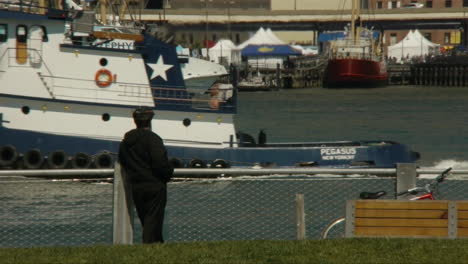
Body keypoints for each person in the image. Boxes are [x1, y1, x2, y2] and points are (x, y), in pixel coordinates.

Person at [118, 106, 174, 244]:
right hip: (155, 185)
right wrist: (167, 175)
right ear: (150, 120)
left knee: (145, 218)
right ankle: (151, 245)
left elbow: (123, 161)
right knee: (153, 219)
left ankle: (155, 244)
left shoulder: (126, 142)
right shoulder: (153, 139)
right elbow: (161, 164)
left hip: (137, 185)